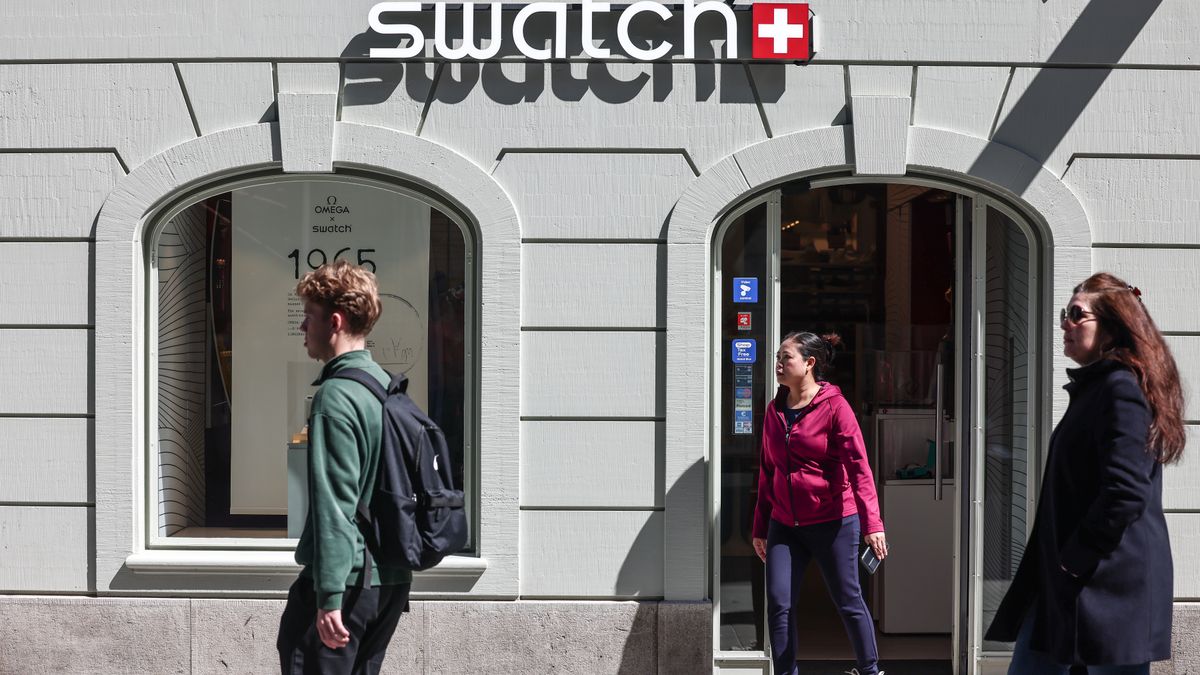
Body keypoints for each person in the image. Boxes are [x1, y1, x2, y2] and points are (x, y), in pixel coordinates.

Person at [985, 273, 1185, 674]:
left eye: (1077, 315)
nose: (1065, 324)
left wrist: (1074, 557)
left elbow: (1125, 492)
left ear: (1112, 327)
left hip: (1108, 588)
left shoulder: (1120, 388)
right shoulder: (1098, 387)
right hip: (1068, 582)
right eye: (1066, 314)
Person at [277, 260, 413, 674]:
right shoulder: (385, 387)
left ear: (334, 321)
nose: (303, 327)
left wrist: (329, 596)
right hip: (389, 580)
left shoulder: (336, 397)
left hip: (349, 584)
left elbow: (335, 505)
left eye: (308, 316)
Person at [752, 332, 888, 675]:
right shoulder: (774, 410)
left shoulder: (835, 407)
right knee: (779, 604)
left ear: (810, 363)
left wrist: (872, 524)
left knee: (848, 601)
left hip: (834, 521)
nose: (779, 365)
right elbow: (768, 471)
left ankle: (870, 670)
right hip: (785, 524)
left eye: (787, 358)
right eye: (778, 358)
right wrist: (760, 527)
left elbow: (859, 468)